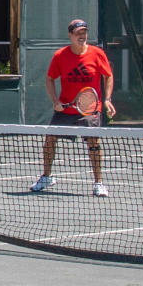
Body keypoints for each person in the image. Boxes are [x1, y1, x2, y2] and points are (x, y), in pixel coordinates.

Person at [33, 17, 113, 196]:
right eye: (78, 33)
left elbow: (108, 76)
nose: (82, 36)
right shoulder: (60, 56)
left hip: (90, 108)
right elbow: (49, 79)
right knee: (50, 140)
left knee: (93, 142)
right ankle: (46, 177)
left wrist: (107, 99)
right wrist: (55, 101)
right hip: (66, 108)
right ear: (70, 35)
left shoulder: (97, 54)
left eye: (84, 32)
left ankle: (98, 183)